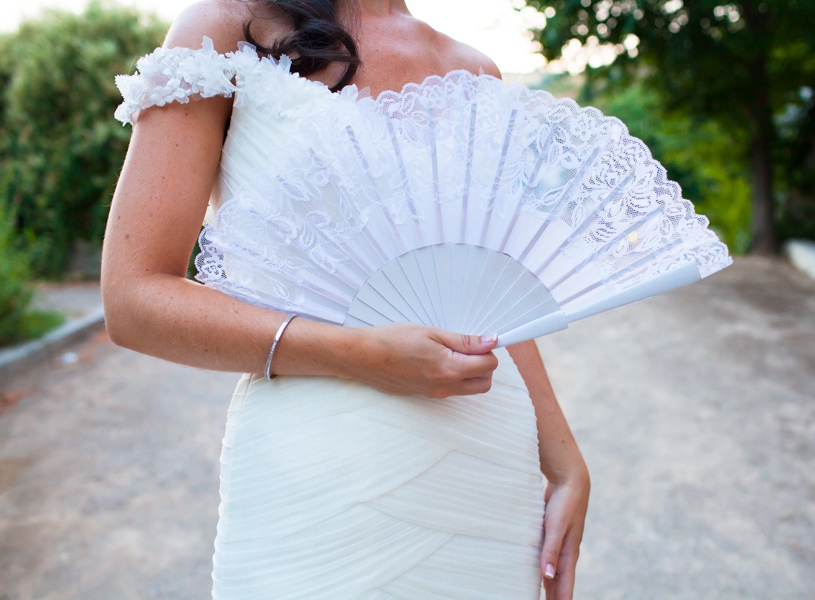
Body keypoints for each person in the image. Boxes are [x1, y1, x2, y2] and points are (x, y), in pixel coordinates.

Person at [102, 0, 590, 598]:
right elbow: (132, 298)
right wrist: (355, 353)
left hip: (488, 471)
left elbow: (487, 297)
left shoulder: (476, 71)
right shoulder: (231, 25)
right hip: (321, 469)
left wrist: (565, 465)